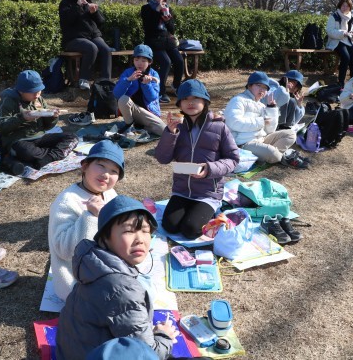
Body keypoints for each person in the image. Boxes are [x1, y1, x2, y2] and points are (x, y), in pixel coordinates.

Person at [55, 195, 177, 360]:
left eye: (145, 231)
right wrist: (163, 336)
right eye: (128, 231)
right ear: (105, 238)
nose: (140, 240)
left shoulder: (94, 263)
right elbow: (147, 354)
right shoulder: (123, 289)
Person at [154, 79, 239, 239]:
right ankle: (191, 211)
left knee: (191, 230)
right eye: (185, 99)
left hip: (208, 193)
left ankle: (211, 211)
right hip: (182, 191)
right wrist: (170, 133)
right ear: (180, 104)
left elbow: (233, 159)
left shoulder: (219, 127)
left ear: (205, 101)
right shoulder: (177, 127)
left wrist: (209, 169)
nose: (190, 103)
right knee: (170, 226)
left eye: (195, 98)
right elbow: (162, 158)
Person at [48, 140, 124, 301]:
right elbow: (63, 250)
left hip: (103, 263)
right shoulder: (67, 201)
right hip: (76, 282)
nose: (106, 175)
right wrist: (90, 216)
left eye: (114, 171)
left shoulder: (109, 194)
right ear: (84, 166)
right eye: (101, 165)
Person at [0, 70, 78, 176]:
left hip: (40, 137)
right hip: (19, 140)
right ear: (21, 91)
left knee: (72, 138)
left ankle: (46, 158)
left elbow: (47, 127)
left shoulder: (39, 100)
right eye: (33, 92)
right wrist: (22, 118)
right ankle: (46, 155)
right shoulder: (9, 101)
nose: (37, 95)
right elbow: (0, 127)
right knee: (27, 152)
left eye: (39, 91)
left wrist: (52, 117)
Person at [224, 71, 308, 169]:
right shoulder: (238, 100)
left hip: (262, 139)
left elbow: (270, 130)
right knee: (273, 153)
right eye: (259, 85)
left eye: (265, 88)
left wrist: (272, 108)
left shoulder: (261, 105)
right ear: (250, 85)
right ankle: (283, 156)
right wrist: (261, 121)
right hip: (243, 143)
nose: (262, 90)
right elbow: (234, 123)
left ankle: (266, 155)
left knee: (291, 134)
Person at [59, 0, 112, 93]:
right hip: (73, 39)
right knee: (91, 48)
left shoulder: (89, 3)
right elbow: (67, 21)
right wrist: (77, 6)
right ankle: (84, 79)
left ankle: (105, 82)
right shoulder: (66, 3)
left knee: (106, 50)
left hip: (93, 36)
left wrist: (95, 13)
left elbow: (101, 22)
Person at [141, 0, 184, 103]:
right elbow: (148, 27)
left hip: (167, 41)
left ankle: (176, 86)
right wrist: (157, 11)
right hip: (153, 41)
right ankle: (160, 91)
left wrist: (168, 20)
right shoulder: (146, 8)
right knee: (166, 61)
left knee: (179, 60)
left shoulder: (167, 8)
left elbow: (172, 29)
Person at [112, 44, 166, 137]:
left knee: (163, 130)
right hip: (132, 110)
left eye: (143, 61)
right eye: (136, 60)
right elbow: (116, 94)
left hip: (148, 112)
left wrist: (146, 84)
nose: (139, 63)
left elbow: (152, 98)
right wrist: (128, 80)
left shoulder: (154, 74)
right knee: (123, 99)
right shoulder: (128, 72)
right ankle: (129, 126)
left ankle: (140, 126)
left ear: (149, 62)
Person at [326, 0, 353, 86]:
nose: (345, 8)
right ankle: (341, 82)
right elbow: (329, 31)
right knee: (346, 57)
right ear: (340, 6)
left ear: (350, 7)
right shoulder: (334, 16)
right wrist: (342, 33)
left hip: (350, 42)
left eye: (347, 6)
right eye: (343, 6)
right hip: (337, 41)